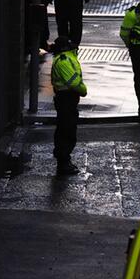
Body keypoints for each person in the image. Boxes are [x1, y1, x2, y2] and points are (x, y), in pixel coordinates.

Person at [50, 35, 87, 176]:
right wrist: (83, 90)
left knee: (67, 129)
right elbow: (73, 82)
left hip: (67, 99)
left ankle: (65, 160)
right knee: (66, 130)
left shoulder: (65, 58)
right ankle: (63, 162)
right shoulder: (64, 61)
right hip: (66, 98)